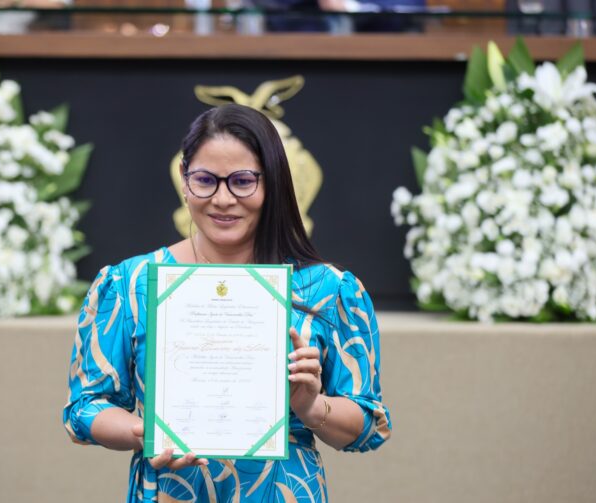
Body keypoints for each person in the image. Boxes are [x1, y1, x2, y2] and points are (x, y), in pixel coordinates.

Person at [62, 103, 391, 501]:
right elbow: (86, 406)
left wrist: (310, 405)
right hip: (170, 490)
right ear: (184, 182)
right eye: (205, 180)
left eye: (242, 181)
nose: (222, 199)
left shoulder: (327, 290)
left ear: (273, 184)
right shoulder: (130, 284)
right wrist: (144, 433)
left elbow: (368, 428)